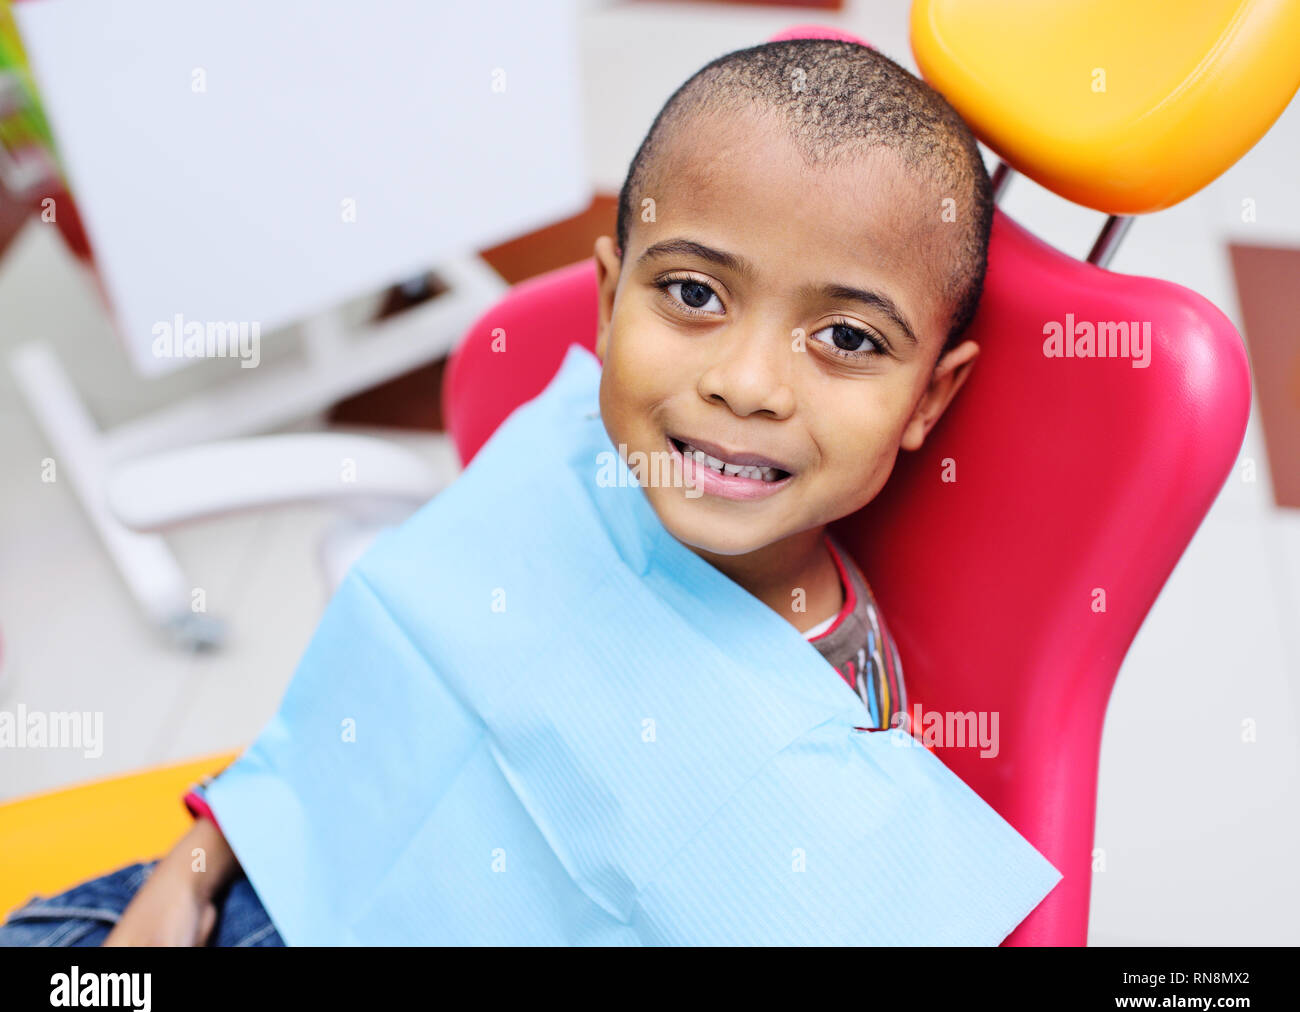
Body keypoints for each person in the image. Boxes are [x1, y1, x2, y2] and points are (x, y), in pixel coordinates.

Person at [1, 34, 988, 947]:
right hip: (250, 890)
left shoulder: (830, 713)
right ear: (607, 303)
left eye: (847, 340)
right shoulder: (550, 476)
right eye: (693, 293)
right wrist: (189, 874)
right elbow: (361, 702)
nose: (746, 383)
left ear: (926, 400)